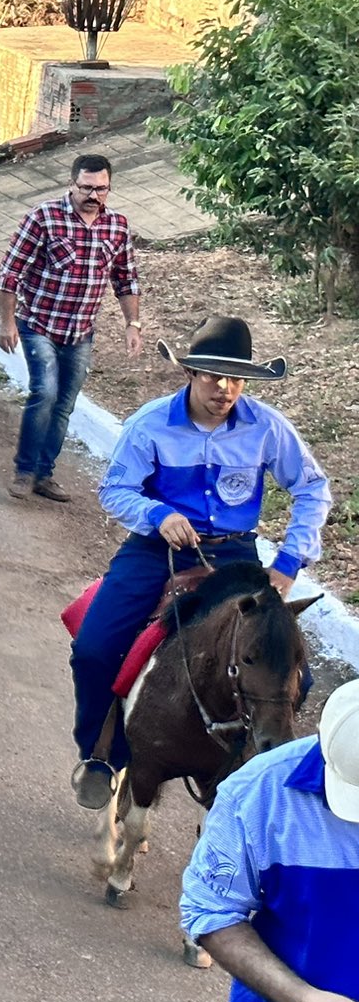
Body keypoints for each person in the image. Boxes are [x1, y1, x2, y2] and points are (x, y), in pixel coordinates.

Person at [70, 316, 329, 807]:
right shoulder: (149, 423)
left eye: (235, 378)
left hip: (234, 553)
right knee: (94, 650)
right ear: (190, 374)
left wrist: (290, 560)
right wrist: (156, 512)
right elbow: (115, 489)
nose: (225, 388)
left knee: (295, 668)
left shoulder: (267, 428)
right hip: (157, 549)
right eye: (212, 375)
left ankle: (247, 763)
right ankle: (100, 755)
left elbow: (313, 488)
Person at [181, 678, 359, 1002]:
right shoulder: (255, 796)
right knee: (96, 653)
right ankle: (101, 753)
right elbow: (210, 912)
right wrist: (304, 1001)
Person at [0, 154, 143, 503]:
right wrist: (6, 322)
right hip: (38, 323)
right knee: (44, 393)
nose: (94, 195)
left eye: (101, 189)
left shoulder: (116, 227)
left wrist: (132, 324)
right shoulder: (44, 217)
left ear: (110, 188)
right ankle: (24, 471)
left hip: (80, 332)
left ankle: (45, 474)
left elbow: (126, 279)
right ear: (72, 185)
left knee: (64, 404)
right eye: (87, 188)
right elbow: (10, 272)